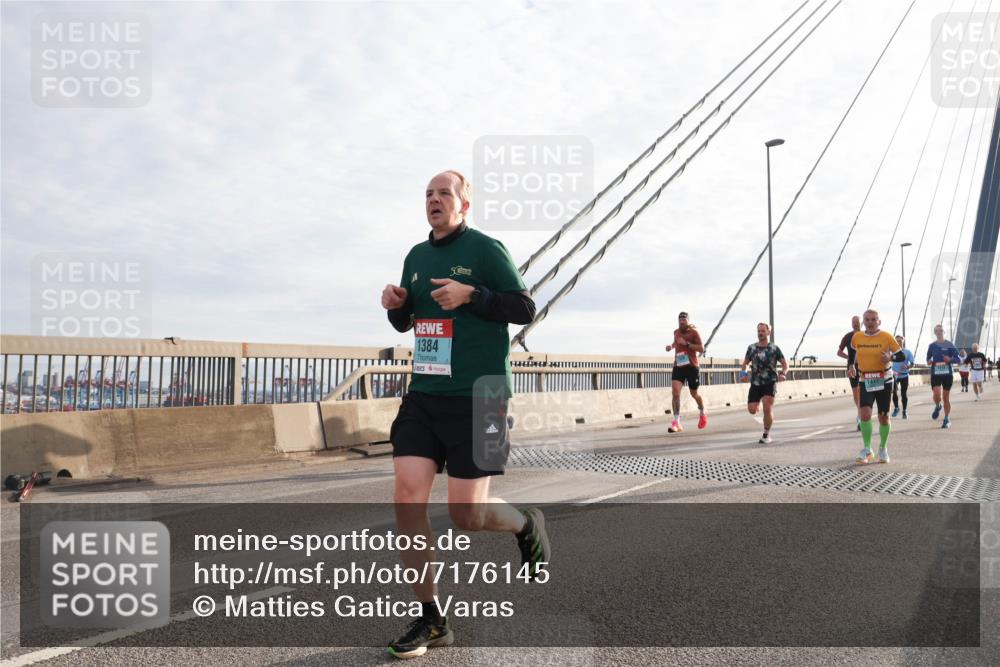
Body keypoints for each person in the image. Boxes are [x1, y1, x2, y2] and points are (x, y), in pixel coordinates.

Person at [381, 170, 550, 658]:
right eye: (428, 193)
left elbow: (524, 308)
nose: (434, 200)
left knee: (467, 515)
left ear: (464, 204)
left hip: (483, 396)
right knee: (407, 499)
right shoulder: (416, 256)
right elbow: (410, 318)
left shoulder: (485, 249)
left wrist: (472, 295)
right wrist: (396, 306)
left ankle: (524, 523)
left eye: (444, 193)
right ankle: (432, 618)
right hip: (426, 395)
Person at [847, 309, 906, 464]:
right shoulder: (857, 337)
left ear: (879, 321)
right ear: (863, 322)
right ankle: (867, 449)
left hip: (884, 380)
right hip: (865, 379)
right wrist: (851, 366)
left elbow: (901, 355)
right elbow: (853, 352)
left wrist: (890, 357)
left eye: (874, 319)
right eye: (867, 320)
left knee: (884, 417)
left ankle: (883, 448)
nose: (870, 322)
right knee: (864, 414)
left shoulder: (886, 337)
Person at [740, 322, 788, 444]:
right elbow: (745, 363)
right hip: (755, 382)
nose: (760, 333)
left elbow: (785, 364)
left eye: (762, 331)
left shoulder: (774, 348)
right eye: (758, 331)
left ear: (768, 332)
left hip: (770, 382)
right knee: (752, 410)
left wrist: (783, 373)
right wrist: (743, 373)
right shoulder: (751, 348)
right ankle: (759, 404)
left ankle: (766, 435)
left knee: (768, 409)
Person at [665, 311, 707, 432]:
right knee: (675, 392)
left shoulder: (694, 332)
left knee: (694, 393)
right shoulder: (676, 332)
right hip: (679, 365)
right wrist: (671, 347)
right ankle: (676, 422)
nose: (681, 322)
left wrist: (687, 344)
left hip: (692, 367)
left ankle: (702, 411)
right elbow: (675, 342)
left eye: (684, 320)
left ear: (688, 321)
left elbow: (701, 348)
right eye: (680, 320)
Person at [926, 324, 961, 429]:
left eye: (941, 331)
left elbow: (959, 359)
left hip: (947, 374)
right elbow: (927, 359)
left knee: (946, 397)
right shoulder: (932, 346)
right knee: (937, 394)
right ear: (935, 333)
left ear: (944, 332)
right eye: (937, 331)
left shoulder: (950, 344)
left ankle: (946, 419)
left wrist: (950, 360)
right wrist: (929, 361)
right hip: (936, 374)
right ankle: (938, 406)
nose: (939, 332)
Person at [837, 315, 863, 430]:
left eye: (857, 322)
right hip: (851, 368)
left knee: (862, 392)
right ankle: (860, 412)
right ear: (851, 324)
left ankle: (860, 416)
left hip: (864, 367)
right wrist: (850, 358)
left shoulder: (865, 335)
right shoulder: (847, 337)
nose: (855, 324)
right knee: (856, 394)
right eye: (854, 322)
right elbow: (839, 352)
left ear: (860, 323)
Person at [890, 334, 914, 419]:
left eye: (900, 341)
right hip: (894, 375)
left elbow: (912, 363)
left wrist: (907, 366)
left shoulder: (907, 352)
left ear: (903, 342)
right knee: (894, 392)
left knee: (904, 393)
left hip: (904, 375)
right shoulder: (892, 351)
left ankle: (904, 411)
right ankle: (896, 408)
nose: (898, 342)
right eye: (896, 341)